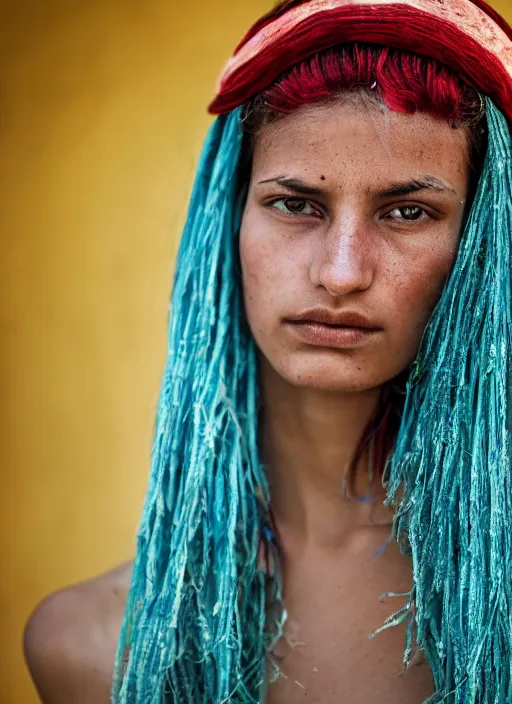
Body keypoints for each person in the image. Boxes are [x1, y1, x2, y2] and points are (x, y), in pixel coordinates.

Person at [23, 0, 512, 702]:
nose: (342, 272)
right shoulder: (91, 648)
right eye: (295, 204)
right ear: (229, 217)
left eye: (408, 212)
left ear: (481, 244)